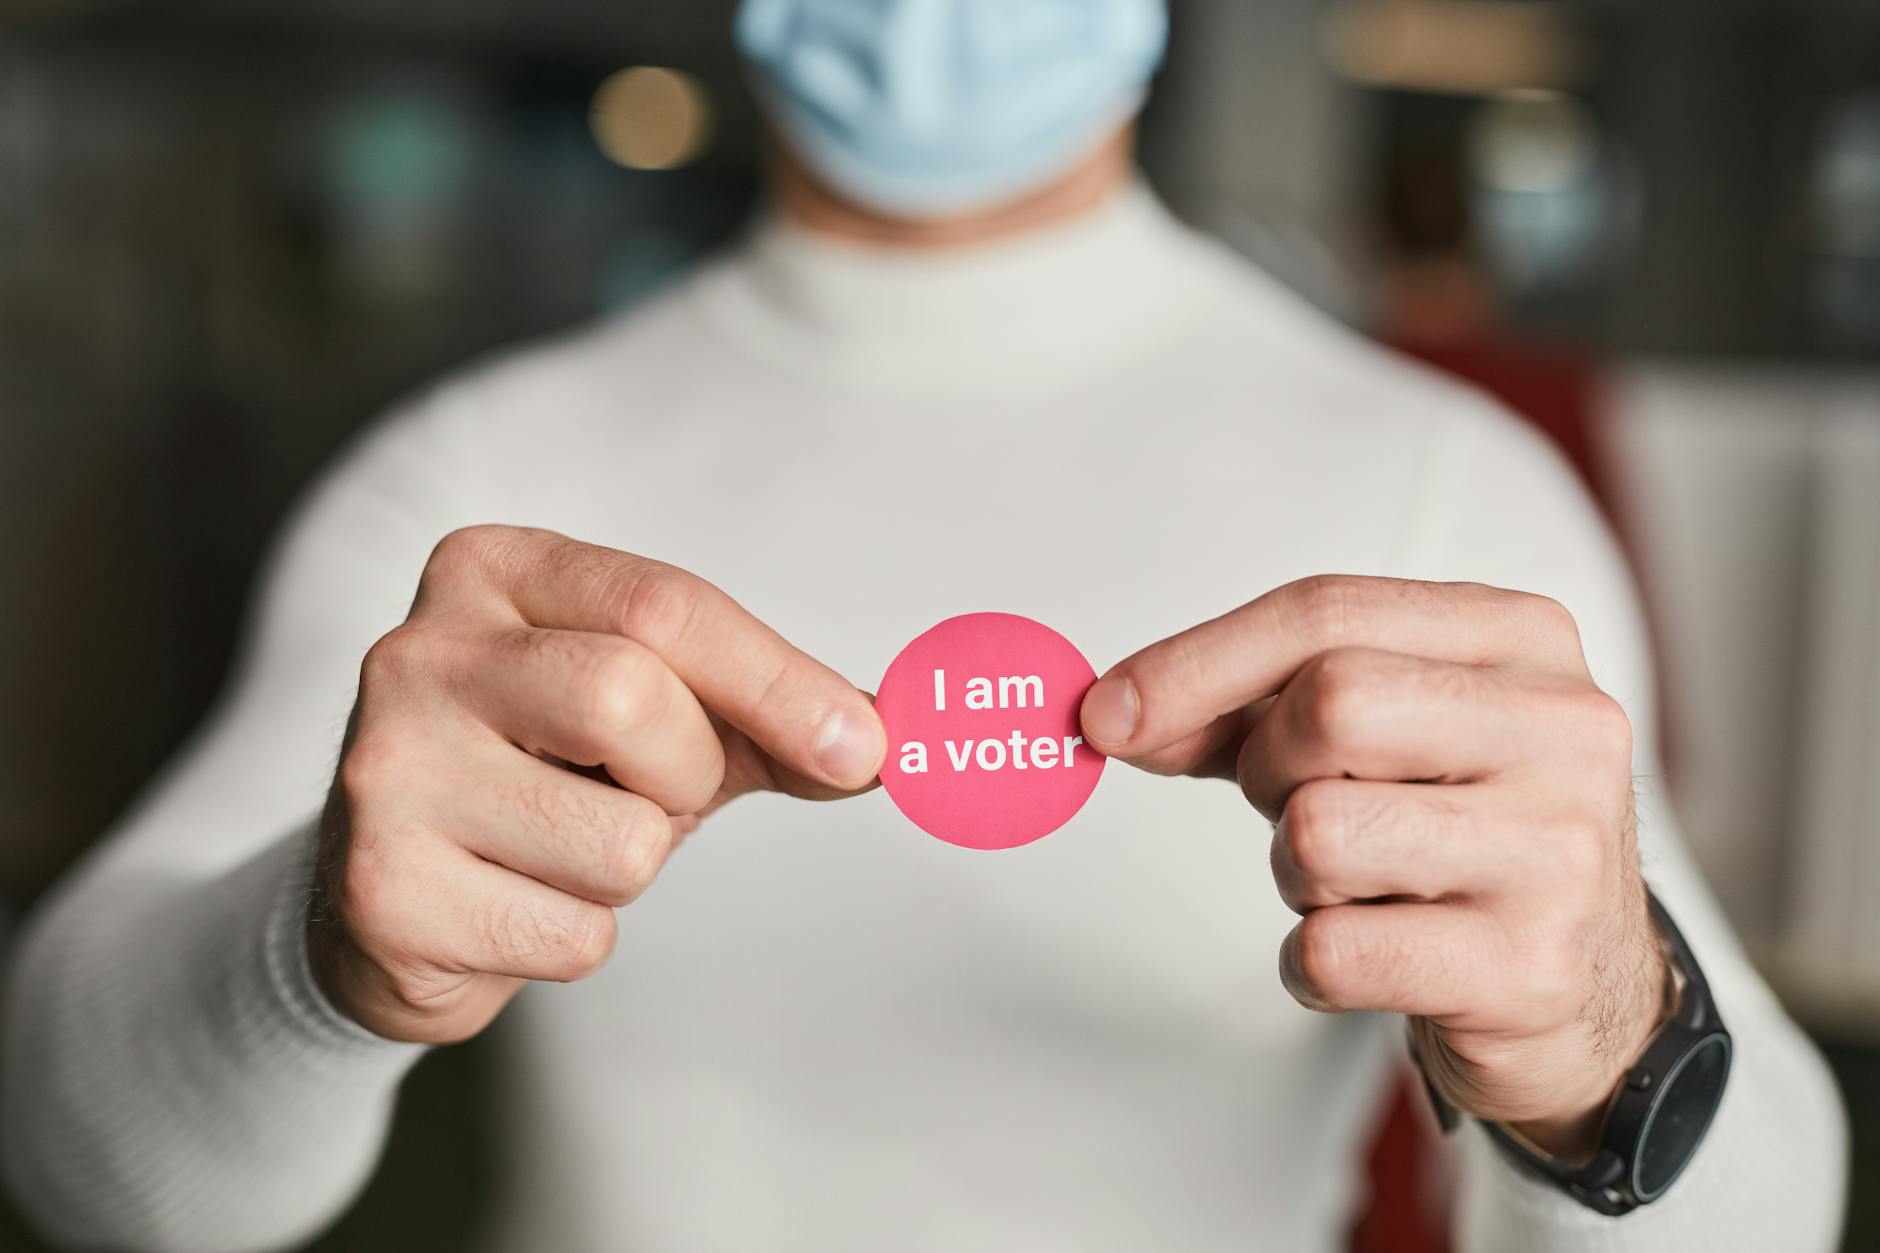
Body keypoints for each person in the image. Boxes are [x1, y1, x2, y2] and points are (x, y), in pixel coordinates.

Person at [0, 1, 1847, 1250]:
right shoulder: (479, 482)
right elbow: (83, 1158)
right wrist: (319, 957)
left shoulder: (1439, 488)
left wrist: (1615, 1026)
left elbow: (1771, 1203)